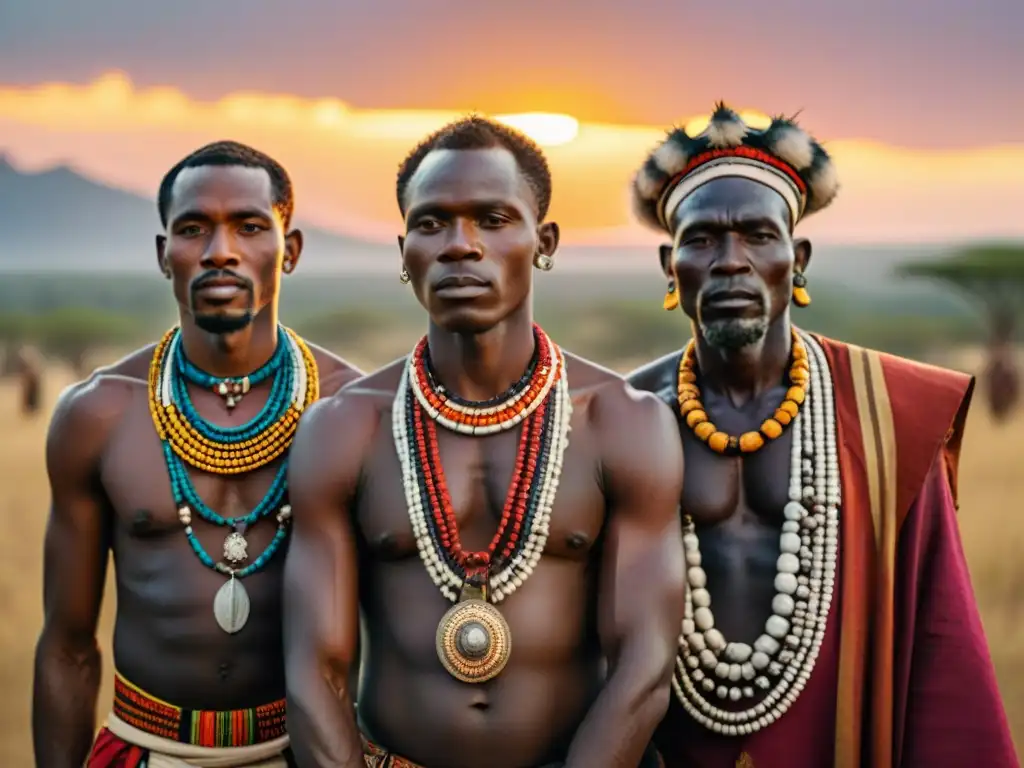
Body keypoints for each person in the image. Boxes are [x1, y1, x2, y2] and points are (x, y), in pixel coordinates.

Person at [282, 116, 686, 768]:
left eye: (493, 219)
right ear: (403, 249)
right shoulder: (343, 429)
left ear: (543, 241)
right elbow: (314, 671)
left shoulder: (624, 423)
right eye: (432, 222)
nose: (460, 246)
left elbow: (643, 668)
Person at [626, 104, 1019, 767]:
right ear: (671, 266)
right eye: (701, 240)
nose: (730, 262)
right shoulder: (622, 419)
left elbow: (942, 648)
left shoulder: (891, 417)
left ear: (796, 258)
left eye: (757, 234)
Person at [32, 140, 363, 768]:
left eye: (249, 227)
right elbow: (68, 646)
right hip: (145, 747)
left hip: (307, 750)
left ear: (289, 250)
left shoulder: (349, 409)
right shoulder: (98, 415)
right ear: (165, 255)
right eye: (193, 229)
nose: (220, 252)